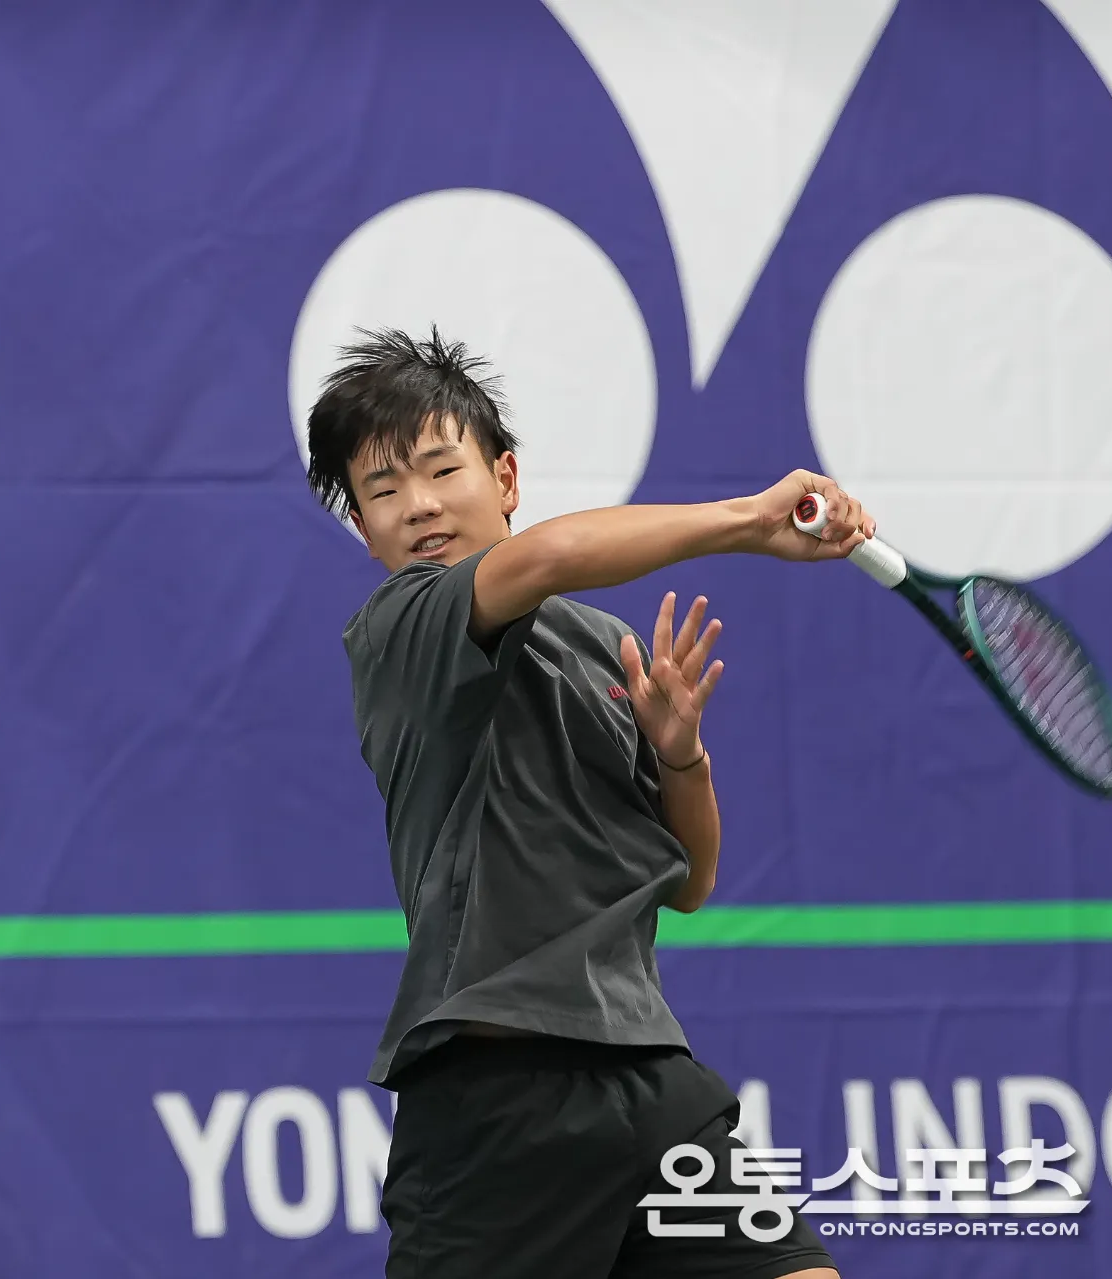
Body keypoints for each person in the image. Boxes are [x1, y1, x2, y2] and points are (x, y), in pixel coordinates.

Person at [305, 326, 870, 1278]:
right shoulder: (402, 628)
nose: (421, 504)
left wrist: (682, 757)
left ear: (506, 477)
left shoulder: (605, 646)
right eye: (384, 490)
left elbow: (689, 883)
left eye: (442, 469)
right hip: (497, 1102)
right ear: (364, 528)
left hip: (650, 1078)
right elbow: (550, 556)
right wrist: (747, 521)